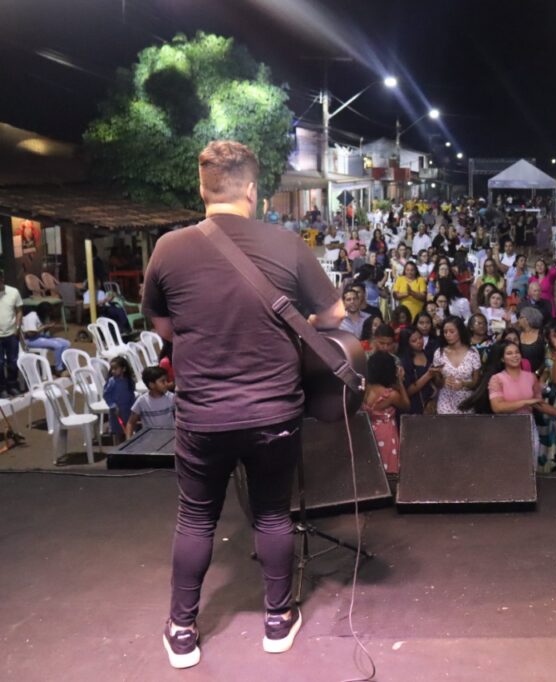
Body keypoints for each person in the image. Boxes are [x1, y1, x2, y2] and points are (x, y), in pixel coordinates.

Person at [142, 141, 346, 668]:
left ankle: (182, 631)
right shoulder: (286, 245)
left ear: (202, 187)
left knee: (195, 520)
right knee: (273, 513)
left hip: (203, 416)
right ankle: (278, 620)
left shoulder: (168, 248)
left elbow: (163, 327)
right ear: (253, 189)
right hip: (274, 412)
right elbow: (333, 313)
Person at [362, 351, 410, 473]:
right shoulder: (390, 395)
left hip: (367, 430)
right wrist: (399, 382)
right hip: (386, 433)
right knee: (387, 464)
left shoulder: (364, 389)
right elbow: (406, 405)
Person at [432, 316, 481, 414]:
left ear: (460, 331)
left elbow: (476, 382)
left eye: (451, 331)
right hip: (445, 403)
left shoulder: (472, 352)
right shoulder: (439, 353)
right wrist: (443, 381)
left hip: (466, 403)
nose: (448, 335)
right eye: (445, 332)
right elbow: (436, 381)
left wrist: (463, 384)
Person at [21, 302, 71, 375]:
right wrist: (45, 327)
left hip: (37, 337)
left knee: (66, 343)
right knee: (58, 345)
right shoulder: (32, 317)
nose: (49, 314)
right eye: (48, 312)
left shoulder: (40, 316)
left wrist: (48, 327)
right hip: (29, 340)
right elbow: (29, 334)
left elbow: (41, 331)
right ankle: (58, 369)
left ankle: (63, 366)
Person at [124, 366, 175, 438]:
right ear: (151, 385)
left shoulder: (171, 398)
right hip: (150, 442)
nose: (166, 384)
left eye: (166, 380)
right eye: (162, 381)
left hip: (169, 439)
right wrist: (128, 441)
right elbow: (130, 423)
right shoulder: (142, 401)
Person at [0, 270, 23, 397]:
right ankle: (2, 388)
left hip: (11, 334)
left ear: (2, 279)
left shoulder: (13, 292)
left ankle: (13, 385)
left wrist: (18, 327)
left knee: (12, 361)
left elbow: (19, 310)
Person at [102, 356, 135, 440]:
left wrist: (134, 407)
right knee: (117, 432)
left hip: (128, 409)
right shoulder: (112, 381)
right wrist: (113, 405)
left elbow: (131, 394)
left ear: (123, 369)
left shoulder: (128, 381)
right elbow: (106, 395)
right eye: (112, 369)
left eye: (115, 369)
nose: (113, 371)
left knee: (128, 429)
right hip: (116, 411)